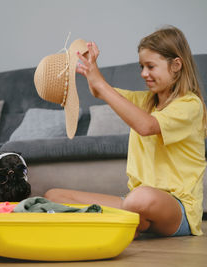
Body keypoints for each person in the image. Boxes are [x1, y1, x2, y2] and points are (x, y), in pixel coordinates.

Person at [45, 26, 206, 237]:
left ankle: (121, 221)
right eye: (141, 66)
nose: (143, 74)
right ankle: (129, 222)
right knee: (53, 195)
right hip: (135, 202)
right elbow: (100, 91)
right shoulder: (144, 100)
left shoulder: (190, 105)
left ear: (176, 65)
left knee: (139, 199)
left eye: (150, 66)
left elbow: (146, 126)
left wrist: (101, 84)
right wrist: (92, 68)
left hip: (177, 208)